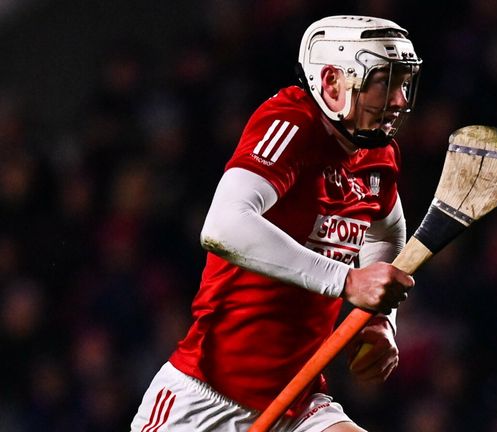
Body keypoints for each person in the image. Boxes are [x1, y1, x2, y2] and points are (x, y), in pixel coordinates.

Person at [131, 15, 422, 432]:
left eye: (403, 84)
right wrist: (348, 282)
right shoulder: (290, 122)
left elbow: (387, 232)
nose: (398, 100)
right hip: (203, 400)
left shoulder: (378, 154)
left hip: (298, 401)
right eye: (385, 82)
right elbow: (224, 225)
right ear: (334, 83)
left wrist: (379, 318)